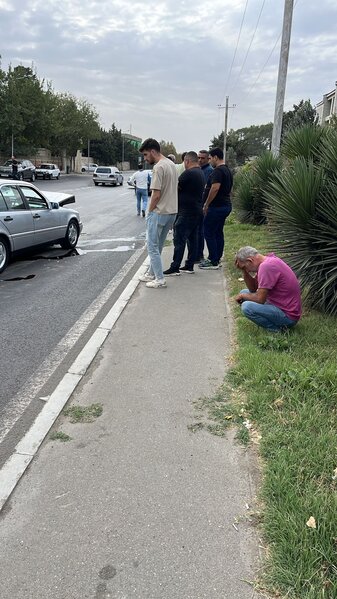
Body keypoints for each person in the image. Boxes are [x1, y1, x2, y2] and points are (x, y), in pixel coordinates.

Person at [139, 138, 178, 288]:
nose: (145, 158)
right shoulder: (171, 165)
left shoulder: (158, 167)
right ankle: (152, 273)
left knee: (152, 246)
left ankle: (159, 279)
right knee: (159, 245)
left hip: (159, 212)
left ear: (153, 151)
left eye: (146, 154)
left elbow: (155, 194)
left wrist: (149, 212)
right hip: (172, 212)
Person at [235, 246, 302, 332]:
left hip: (288, 316)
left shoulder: (266, 267)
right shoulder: (267, 261)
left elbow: (260, 299)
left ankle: (277, 330)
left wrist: (242, 296)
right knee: (244, 292)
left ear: (250, 261)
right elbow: (253, 289)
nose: (247, 270)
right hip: (278, 305)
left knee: (246, 307)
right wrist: (244, 271)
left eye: (244, 267)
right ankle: (276, 325)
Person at [163, 151, 205, 276]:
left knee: (179, 239)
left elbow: (175, 186)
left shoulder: (189, 173)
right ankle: (189, 265)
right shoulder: (200, 173)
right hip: (197, 210)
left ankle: (175, 266)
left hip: (186, 212)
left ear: (187, 161)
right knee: (193, 239)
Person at [199, 147, 233, 270]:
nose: (209, 161)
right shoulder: (227, 170)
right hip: (225, 205)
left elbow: (215, 188)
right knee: (218, 232)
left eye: (210, 158)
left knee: (208, 232)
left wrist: (206, 204)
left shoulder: (218, 171)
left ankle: (213, 260)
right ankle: (217, 258)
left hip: (217, 207)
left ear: (215, 157)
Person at [196, 150, 213, 262]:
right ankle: (197, 253)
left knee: (201, 231)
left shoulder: (210, 171)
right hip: (196, 204)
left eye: (203, 158)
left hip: (204, 205)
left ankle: (200, 254)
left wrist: (206, 205)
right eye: (199, 158)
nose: (200, 160)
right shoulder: (198, 170)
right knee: (197, 231)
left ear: (208, 159)